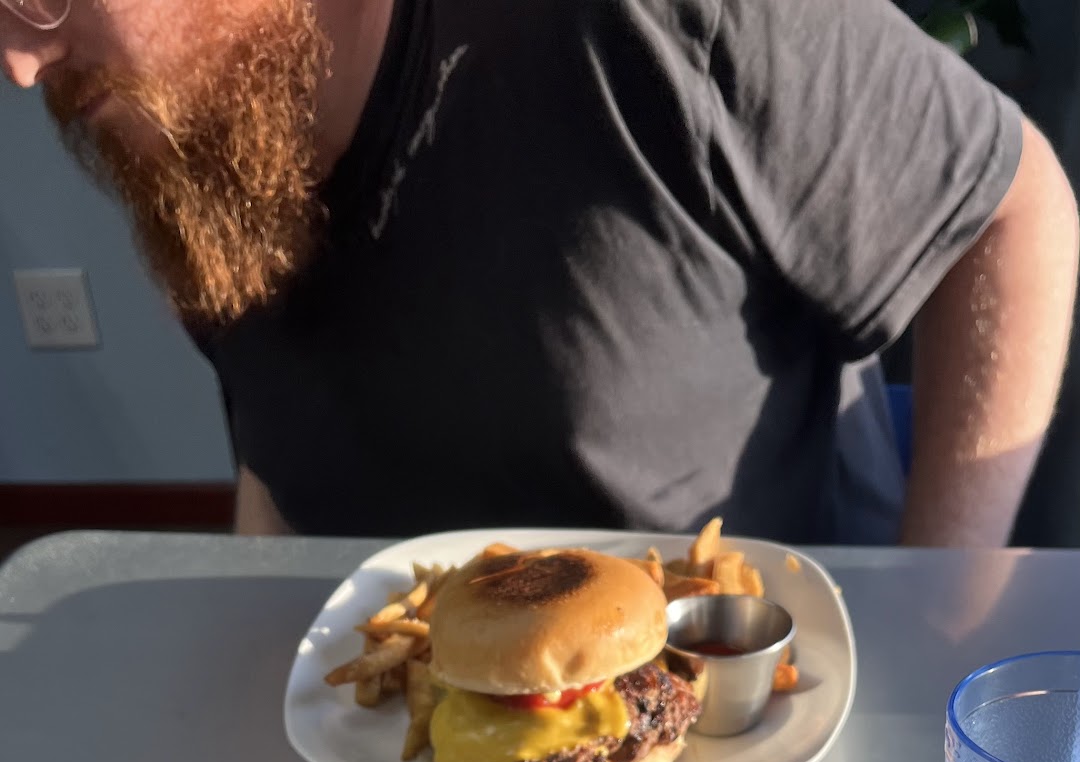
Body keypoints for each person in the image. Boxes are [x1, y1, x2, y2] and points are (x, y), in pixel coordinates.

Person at [4, 0, 1077, 547]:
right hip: (408, 760)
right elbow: (279, 453)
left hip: (742, 739)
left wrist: (938, 614)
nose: (18, 62)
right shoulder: (190, 142)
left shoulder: (648, 22)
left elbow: (1014, 209)